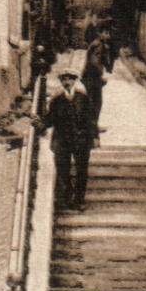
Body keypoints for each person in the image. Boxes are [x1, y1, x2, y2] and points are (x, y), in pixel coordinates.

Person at [42, 70, 93, 210]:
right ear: (61, 82)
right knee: (63, 170)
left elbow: (90, 120)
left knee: (81, 170)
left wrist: (94, 138)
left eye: (70, 79)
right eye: (64, 79)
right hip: (62, 141)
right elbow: (49, 121)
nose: (67, 82)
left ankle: (79, 200)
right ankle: (65, 198)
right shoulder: (57, 100)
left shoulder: (83, 99)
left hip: (81, 140)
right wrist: (39, 120)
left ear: (74, 81)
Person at [81, 27, 116, 140]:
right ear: (101, 33)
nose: (109, 36)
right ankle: (91, 128)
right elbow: (94, 62)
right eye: (107, 33)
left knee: (94, 102)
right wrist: (101, 76)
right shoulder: (98, 45)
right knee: (95, 103)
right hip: (92, 77)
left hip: (90, 77)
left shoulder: (100, 44)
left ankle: (92, 126)